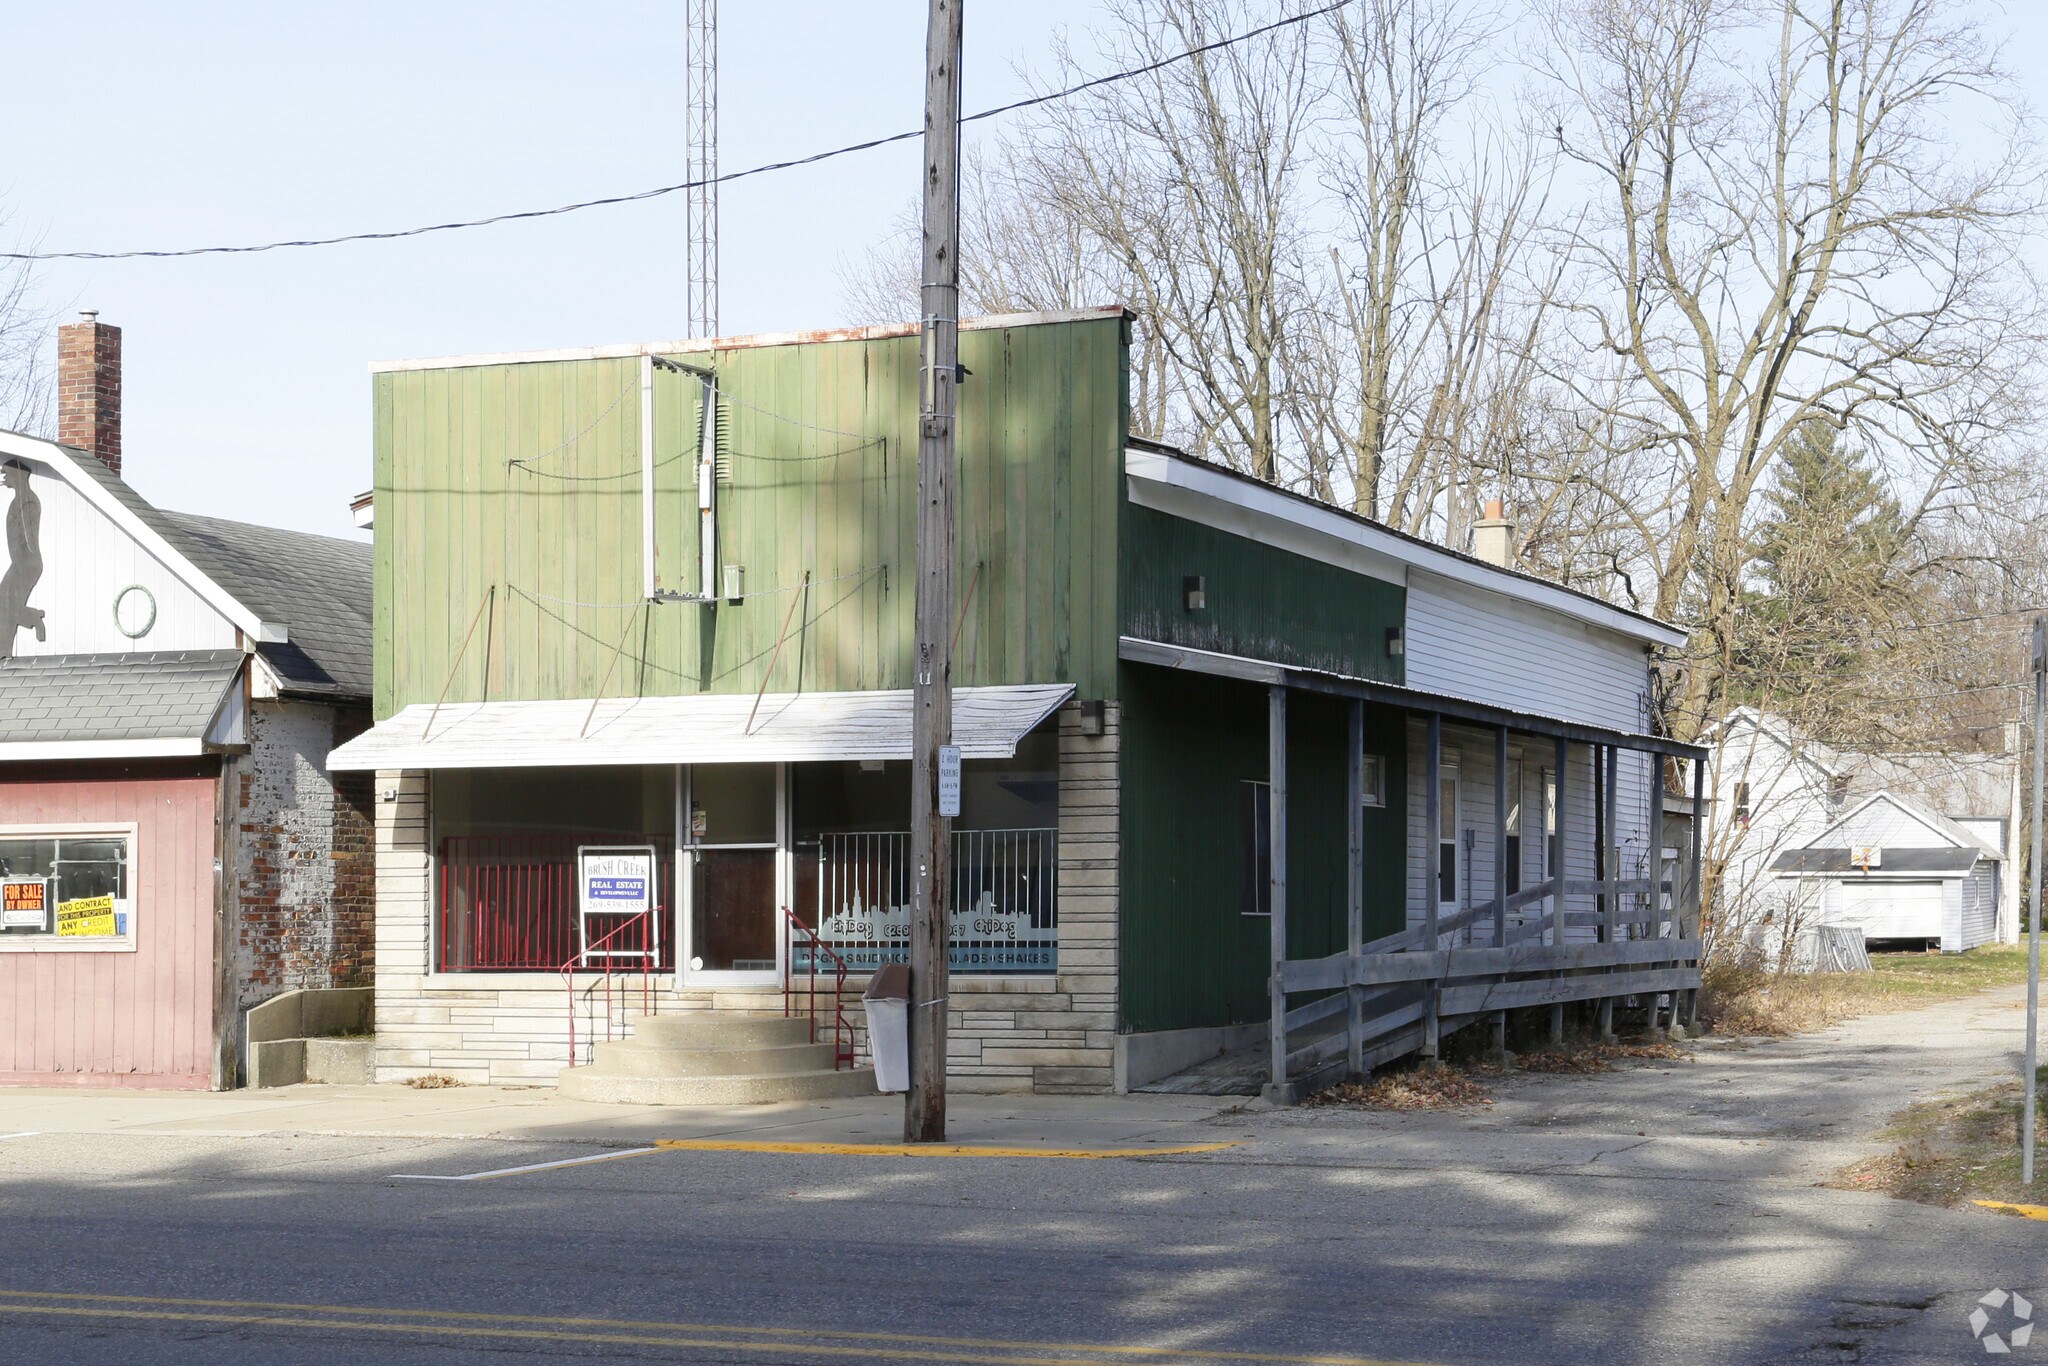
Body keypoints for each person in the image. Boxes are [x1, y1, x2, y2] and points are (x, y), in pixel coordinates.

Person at [0, 459, 45, 656]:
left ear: (17, 475)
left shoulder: (28, 501)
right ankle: (32, 618)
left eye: (6, 473)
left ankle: (4, 649)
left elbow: (27, 536)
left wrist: (22, 560)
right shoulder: (18, 501)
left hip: (26, 563)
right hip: (18, 562)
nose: (4, 478)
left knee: (7, 605)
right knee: (4, 603)